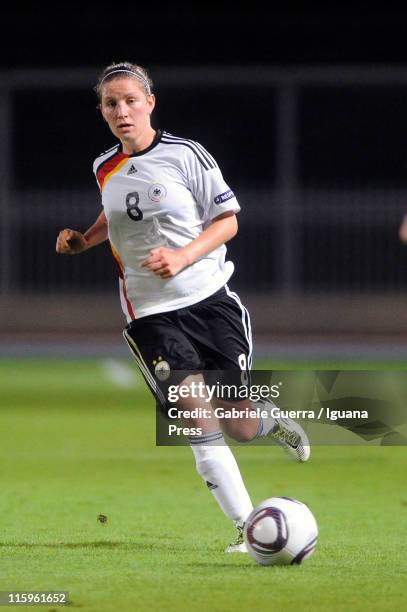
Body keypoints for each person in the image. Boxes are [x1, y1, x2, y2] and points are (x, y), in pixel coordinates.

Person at [56, 62, 310, 553]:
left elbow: (228, 220)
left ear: (150, 103)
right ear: (103, 112)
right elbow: (119, 213)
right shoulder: (103, 166)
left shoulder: (186, 154)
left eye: (131, 100)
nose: (122, 111)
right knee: (197, 419)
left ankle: (269, 421)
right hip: (149, 315)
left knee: (237, 423)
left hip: (211, 302)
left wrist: (183, 255)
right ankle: (247, 527)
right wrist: (84, 240)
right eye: (111, 103)